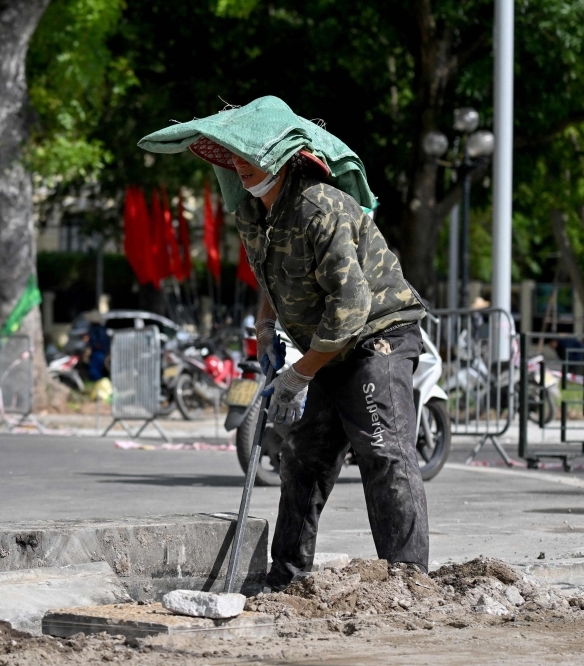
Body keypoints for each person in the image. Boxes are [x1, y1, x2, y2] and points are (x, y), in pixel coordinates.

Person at [138, 96, 430, 590]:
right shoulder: (254, 214)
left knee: (382, 452)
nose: (236, 164)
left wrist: (300, 373)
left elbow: (351, 307)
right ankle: (289, 577)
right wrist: (265, 327)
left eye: (245, 155)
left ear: (276, 158)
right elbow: (271, 278)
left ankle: (409, 581)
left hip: (375, 336)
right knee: (303, 458)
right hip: (329, 348)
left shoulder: (322, 207)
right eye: (230, 156)